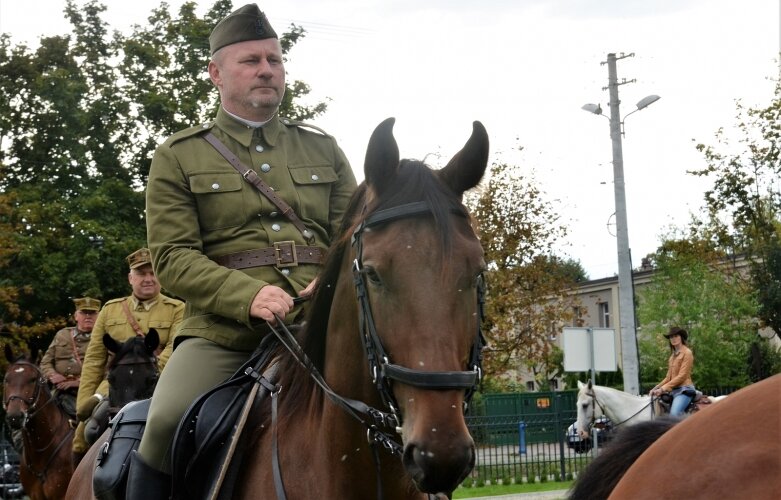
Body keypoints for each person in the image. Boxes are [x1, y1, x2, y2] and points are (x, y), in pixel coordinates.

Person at [130, 4, 357, 496]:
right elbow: (171, 257)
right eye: (250, 60)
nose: (266, 70)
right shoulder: (179, 155)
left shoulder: (323, 148)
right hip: (224, 332)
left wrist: (333, 281)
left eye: (274, 60)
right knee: (165, 422)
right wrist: (247, 296)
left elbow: (352, 236)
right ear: (216, 73)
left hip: (322, 324)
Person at [72, 248, 184, 466]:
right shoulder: (110, 310)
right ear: (130, 278)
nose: (148, 279)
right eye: (141, 274)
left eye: (153, 273)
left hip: (160, 381)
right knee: (84, 435)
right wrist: (84, 403)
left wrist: (147, 373)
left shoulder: (177, 308)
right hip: (115, 386)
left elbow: (174, 347)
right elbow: (94, 360)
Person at [650, 326, 695, 416]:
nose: (673, 339)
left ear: (681, 337)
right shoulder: (672, 357)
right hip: (673, 391)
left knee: (673, 416)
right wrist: (656, 388)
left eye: (676, 336)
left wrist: (663, 389)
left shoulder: (687, 353)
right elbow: (668, 378)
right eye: (671, 337)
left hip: (684, 390)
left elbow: (682, 376)